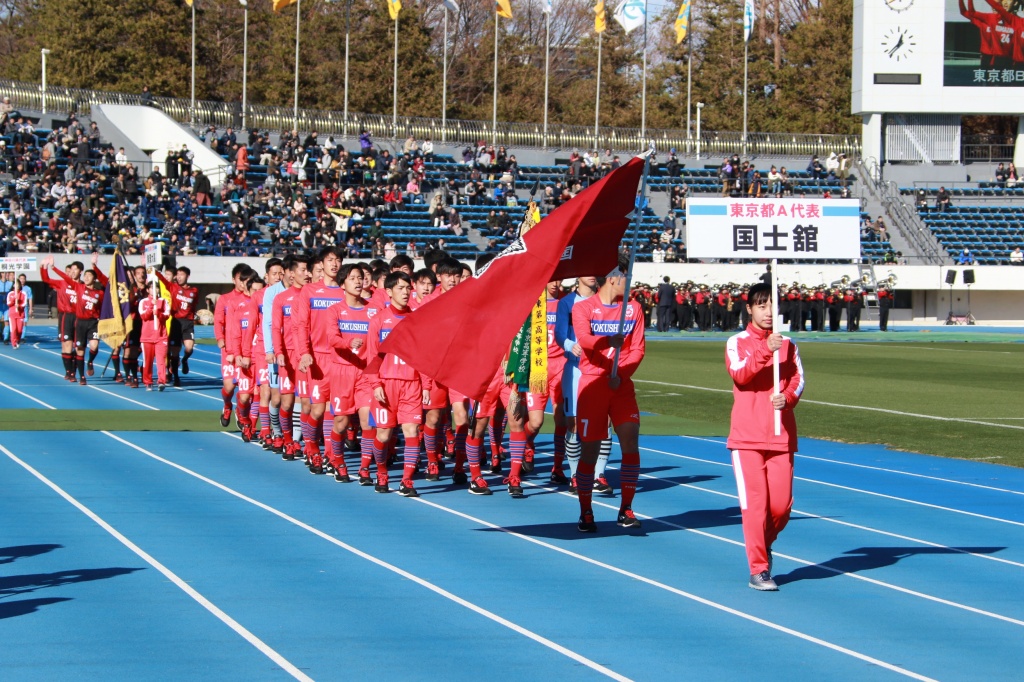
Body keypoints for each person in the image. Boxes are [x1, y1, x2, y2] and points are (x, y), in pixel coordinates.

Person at [725, 281, 805, 591]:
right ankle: (758, 568)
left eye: (772, 305)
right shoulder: (737, 341)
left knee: (781, 507)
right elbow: (740, 374)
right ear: (749, 308)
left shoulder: (789, 344)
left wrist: (787, 397)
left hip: (780, 435)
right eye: (761, 305)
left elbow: (798, 379)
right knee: (754, 507)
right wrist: (764, 349)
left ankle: (764, 543)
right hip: (746, 438)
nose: (768, 311)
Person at [572, 258, 646, 532]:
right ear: (614, 277)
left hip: (621, 385)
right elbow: (584, 339)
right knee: (590, 449)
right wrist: (606, 341)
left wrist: (621, 374)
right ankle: (586, 510)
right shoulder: (585, 309)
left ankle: (626, 508)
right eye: (627, 277)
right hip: (593, 385)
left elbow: (638, 349)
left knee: (630, 438)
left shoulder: (634, 309)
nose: (631, 283)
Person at [362, 271, 430, 497]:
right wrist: (375, 384)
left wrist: (427, 385)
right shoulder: (378, 321)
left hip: (411, 384)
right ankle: (382, 471)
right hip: (386, 384)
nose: (405, 292)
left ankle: (407, 480)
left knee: (412, 431)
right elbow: (372, 356)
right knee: (383, 435)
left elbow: (424, 355)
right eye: (400, 288)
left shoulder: (417, 319)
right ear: (389, 292)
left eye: (407, 288)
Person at [292, 247, 348, 475]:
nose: (334, 264)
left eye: (337, 260)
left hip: (341, 359)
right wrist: (303, 352)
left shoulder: (346, 292)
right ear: (322, 264)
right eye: (330, 260)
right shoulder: (310, 291)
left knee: (335, 410)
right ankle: (311, 446)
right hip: (318, 357)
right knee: (317, 408)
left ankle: (329, 454)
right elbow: (300, 324)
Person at [271, 255, 313, 460]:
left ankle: (298, 441)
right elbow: (276, 328)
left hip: (306, 357)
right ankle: (287, 439)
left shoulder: (312, 295)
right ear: (292, 273)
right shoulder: (281, 298)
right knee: (286, 402)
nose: (307, 274)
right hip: (287, 356)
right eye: (303, 270)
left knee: (304, 402)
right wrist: (278, 352)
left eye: (308, 270)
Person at [48, 254, 108, 384]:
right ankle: (76, 374)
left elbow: (105, 288)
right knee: (75, 347)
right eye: (85, 276)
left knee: (94, 346)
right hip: (77, 320)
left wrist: (94, 265)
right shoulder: (79, 287)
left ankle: (90, 361)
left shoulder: (100, 293)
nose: (86, 278)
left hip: (92, 322)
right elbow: (65, 278)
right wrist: (53, 268)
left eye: (89, 275)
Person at [215, 263, 257, 427]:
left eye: (247, 279)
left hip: (249, 350)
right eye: (241, 279)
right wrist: (221, 339)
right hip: (230, 349)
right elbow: (219, 321)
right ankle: (227, 405)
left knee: (247, 390)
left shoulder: (254, 298)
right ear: (234, 279)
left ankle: (241, 411)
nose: (243, 283)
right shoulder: (226, 299)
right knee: (229, 385)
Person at [40, 258, 84, 381]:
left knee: (79, 346)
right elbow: (46, 280)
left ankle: (75, 367)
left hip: (80, 318)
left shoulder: (82, 286)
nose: (71, 273)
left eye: (75, 270)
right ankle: (69, 371)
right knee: (67, 344)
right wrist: (44, 267)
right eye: (70, 270)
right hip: (65, 316)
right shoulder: (62, 283)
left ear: (80, 271)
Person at [155, 266, 199, 387]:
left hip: (188, 322)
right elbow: (163, 280)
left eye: (181, 275)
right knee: (174, 352)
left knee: (189, 348)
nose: (179, 277)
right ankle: (176, 377)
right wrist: (156, 271)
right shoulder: (173, 287)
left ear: (187, 276)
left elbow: (194, 304)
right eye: (177, 275)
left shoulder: (194, 290)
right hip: (176, 322)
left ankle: (184, 360)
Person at [138, 275, 172, 391]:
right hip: (147, 337)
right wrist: (151, 308)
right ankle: (148, 381)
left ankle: (161, 381)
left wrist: (158, 312)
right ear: (148, 290)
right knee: (147, 361)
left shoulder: (164, 302)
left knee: (161, 360)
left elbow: (166, 316)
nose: (154, 290)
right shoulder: (143, 302)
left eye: (156, 288)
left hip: (161, 336)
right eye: (152, 288)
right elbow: (144, 316)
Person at [5, 274, 28, 348]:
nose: (16, 285)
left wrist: (20, 306)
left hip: (20, 314)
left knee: (19, 330)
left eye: (18, 284)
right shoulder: (10, 294)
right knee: (13, 329)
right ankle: (13, 343)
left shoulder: (23, 293)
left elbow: (24, 303)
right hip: (12, 314)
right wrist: (13, 300)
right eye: (15, 284)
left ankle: (18, 340)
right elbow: (8, 303)